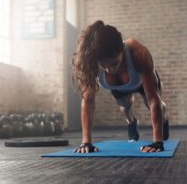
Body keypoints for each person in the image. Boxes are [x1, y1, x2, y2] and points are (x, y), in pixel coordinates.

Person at [72, 20, 169, 153]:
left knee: (155, 106)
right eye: (103, 65)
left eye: (113, 64)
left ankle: (164, 119)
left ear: (121, 50)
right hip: (119, 87)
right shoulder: (91, 63)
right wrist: (86, 142)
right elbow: (88, 101)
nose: (108, 70)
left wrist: (157, 141)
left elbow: (153, 99)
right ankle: (131, 122)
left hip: (141, 82)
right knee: (125, 108)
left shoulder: (139, 53)